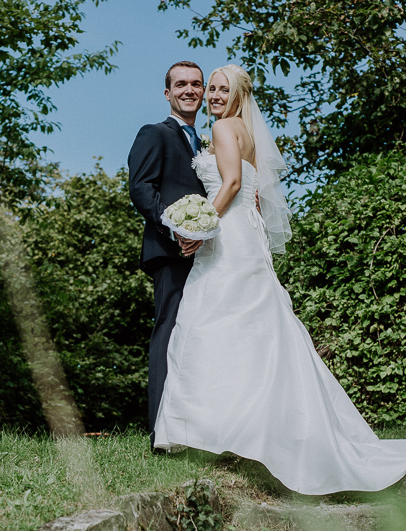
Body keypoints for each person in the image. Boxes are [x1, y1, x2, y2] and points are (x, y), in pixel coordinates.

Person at [153, 63, 406, 495]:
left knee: (213, 325)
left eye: (220, 89)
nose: (212, 95)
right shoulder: (245, 131)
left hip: (228, 237)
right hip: (245, 234)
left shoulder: (221, 130)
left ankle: (216, 431)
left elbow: (231, 183)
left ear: (236, 95)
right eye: (209, 89)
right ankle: (237, 429)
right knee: (253, 329)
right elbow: (249, 187)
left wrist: (199, 225)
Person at [128, 61, 207, 450]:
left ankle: (199, 426)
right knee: (170, 331)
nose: (189, 90)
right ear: (167, 93)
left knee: (203, 335)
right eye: (181, 84)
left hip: (209, 254)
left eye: (196, 84)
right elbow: (141, 188)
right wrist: (176, 228)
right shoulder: (154, 133)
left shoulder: (208, 142)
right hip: (170, 250)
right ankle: (162, 430)